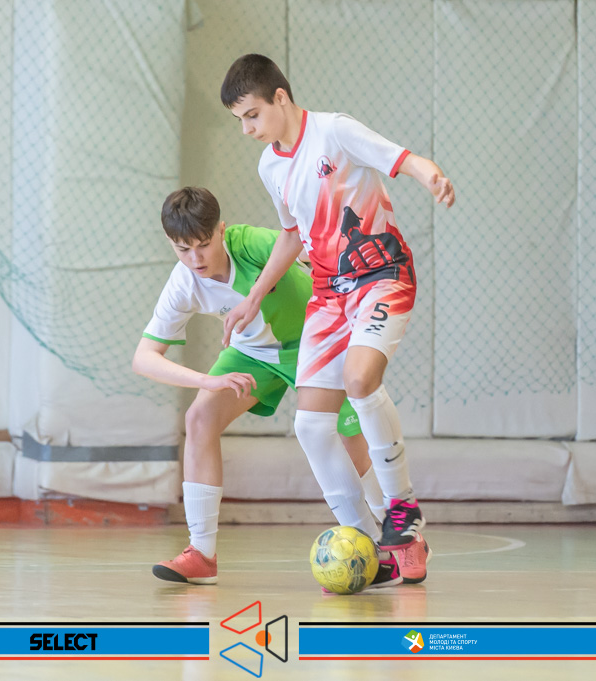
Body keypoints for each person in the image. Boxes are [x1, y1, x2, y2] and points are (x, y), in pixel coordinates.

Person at [219, 53, 456, 583]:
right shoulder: (270, 166)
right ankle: (374, 550)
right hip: (329, 296)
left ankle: (403, 511)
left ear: (280, 97)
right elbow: (292, 235)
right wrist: (254, 296)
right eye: (239, 120)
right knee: (309, 425)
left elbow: (401, 159)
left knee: (359, 379)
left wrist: (431, 175)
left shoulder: (334, 131)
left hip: (382, 274)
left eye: (252, 115)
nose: (247, 129)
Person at [134, 186, 400, 587]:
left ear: (221, 231)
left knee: (349, 439)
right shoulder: (183, 284)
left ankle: (395, 538)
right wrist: (208, 380)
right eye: (182, 249)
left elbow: (305, 247)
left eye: (204, 245)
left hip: (314, 342)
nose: (195, 259)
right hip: (253, 354)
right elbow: (144, 358)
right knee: (199, 418)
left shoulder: (250, 243)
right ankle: (201, 553)